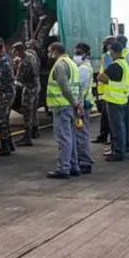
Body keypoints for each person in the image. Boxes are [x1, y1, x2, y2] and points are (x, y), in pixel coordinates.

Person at [44, 42, 79, 178]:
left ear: (55, 51)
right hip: (70, 106)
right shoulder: (71, 63)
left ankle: (64, 168)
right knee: (71, 137)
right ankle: (74, 166)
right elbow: (77, 86)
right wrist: (77, 104)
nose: (49, 54)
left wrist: (75, 103)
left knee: (64, 139)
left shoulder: (59, 65)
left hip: (62, 106)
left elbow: (65, 88)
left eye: (49, 51)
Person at [98, 42, 129, 161]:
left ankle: (118, 152)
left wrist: (105, 80)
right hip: (122, 99)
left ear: (113, 52)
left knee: (116, 127)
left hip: (113, 99)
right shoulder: (124, 64)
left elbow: (101, 77)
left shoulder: (115, 65)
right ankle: (117, 149)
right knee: (120, 126)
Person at [73, 42, 95, 174]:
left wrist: (77, 105)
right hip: (82, 103)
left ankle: (85, 161)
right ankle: (82, 159)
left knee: (81, 133)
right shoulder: (82, 67)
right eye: (76, 53)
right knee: (80, 133)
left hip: (81, 105)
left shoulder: (84, 69)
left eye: (79, 53)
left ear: (86, 55)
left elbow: (79, 88)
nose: (76, 56)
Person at [12, 42, 40, 147]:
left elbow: (18, 81)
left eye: (15, 52)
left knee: (26, 111)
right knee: (34, 109)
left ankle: (27, 137)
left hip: (29, 88)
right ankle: (35, 130)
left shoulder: (24, 64)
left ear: (18, 51)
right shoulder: (31, 55)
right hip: (37, 85)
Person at [93, 36, 116, 145]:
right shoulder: (109, 56)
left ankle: (108, 137)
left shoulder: (107, 56)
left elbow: (107, 71)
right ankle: (104, 136)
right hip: (107, 90)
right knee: (105, 116)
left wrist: (101, 77)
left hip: (108, 90)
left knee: (108, 116)